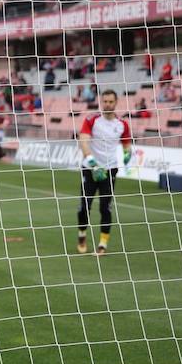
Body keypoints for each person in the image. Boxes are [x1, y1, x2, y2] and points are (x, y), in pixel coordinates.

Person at [76, 89, 132, 256]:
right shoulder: (92, 120)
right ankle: (82, 235)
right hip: (91, 168)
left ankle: (102, 244)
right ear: (101, 102)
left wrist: (128, 155)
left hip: (110, 169)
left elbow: (126, 145)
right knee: (84, 206)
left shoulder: (122, 124)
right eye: (105, 101)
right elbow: (83, 141)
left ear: (116, 103)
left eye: (110, 102)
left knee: (105, 207)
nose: (107, 104)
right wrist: (92, 162)